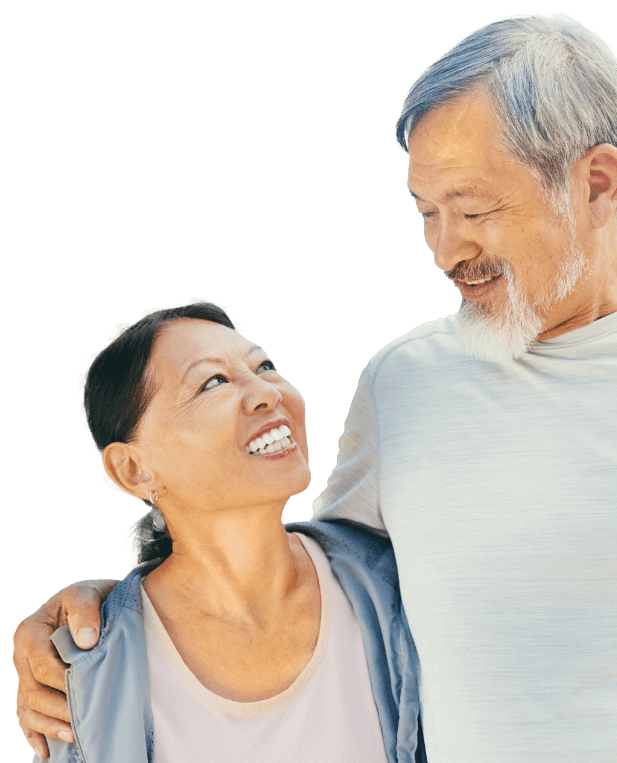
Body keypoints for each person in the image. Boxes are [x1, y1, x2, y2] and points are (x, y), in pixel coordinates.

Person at [15, 12, 617, 763]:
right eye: (426, 211)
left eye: (475, 208)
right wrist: (105, 611)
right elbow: (289, 585)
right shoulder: (403, 385)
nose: (445, 248)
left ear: (596, 181)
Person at [14, 302, 424, 761]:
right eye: (214, 382)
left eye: (264, 366)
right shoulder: (89, 672)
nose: (266, 392)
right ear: (133, 468)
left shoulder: (400, 584)